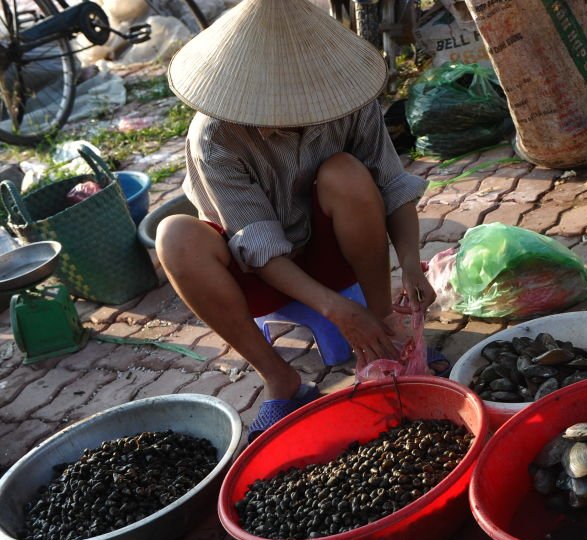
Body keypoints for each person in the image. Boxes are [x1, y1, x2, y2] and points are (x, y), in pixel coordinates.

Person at [157, 0, 437, 442]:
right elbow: (257, 243)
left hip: (336, 250)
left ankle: (386, 328)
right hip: (256, 272)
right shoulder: (214, 136)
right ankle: (280, 380)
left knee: (345, 171)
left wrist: (408, 260)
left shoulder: (349, 98)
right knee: (174, 236)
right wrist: (335, 308)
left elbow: (392, 186)